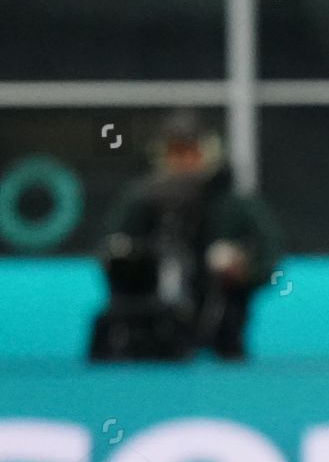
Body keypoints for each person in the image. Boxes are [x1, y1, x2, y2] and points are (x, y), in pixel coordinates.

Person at [93, 113, 278, 362]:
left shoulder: (234, 204)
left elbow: (269, 255)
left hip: (220, 321)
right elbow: (109, 248)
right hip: (149, 321)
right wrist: (128, 262)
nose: (182, 162)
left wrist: (242, 271)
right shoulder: (139, 200)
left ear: (208, 152)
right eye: (175, 152)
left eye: (190, 152)